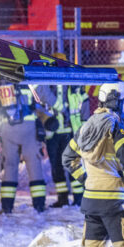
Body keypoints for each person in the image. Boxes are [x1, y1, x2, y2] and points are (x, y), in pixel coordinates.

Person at [63, 81, 124, 247]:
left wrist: (87, 179)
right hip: (117, 203)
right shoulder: (117, 127)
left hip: (91, 203)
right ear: (115, 102)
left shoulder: (85, 128)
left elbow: (68, 158)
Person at [0, 77, 48, 213]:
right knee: (34, 164)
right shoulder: (28, 76)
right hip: (28, 126)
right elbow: (44, 95)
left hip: (7, 127)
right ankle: (39, 205)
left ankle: (7, 206)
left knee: (9, 166)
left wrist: (0, 125)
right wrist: (58, 108)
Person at [37, 53, 88, 208]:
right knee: (57, 166)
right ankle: (64, 198)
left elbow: (84, 103)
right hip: (54, 132)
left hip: (68, 131)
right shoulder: (48, 81)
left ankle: (78, 198)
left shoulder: (73, 83)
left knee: (71, 165)